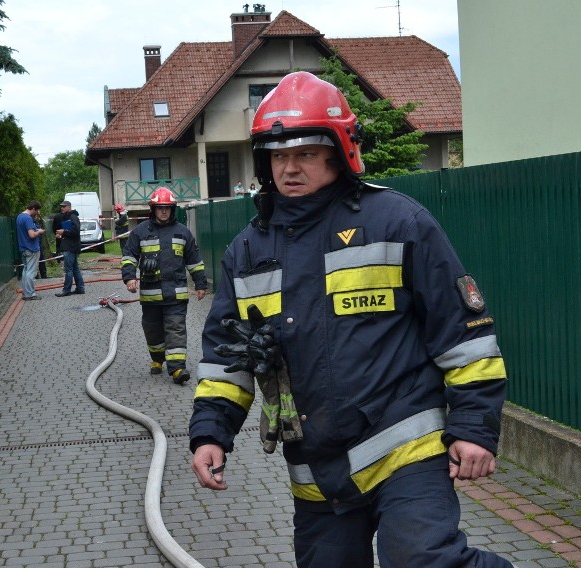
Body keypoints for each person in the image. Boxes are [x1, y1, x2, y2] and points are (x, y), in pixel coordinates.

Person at [189, 72, 513, 568]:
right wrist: (211, 433)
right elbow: (225, 360)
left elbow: (465, 338)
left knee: (424, 561)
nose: (289, 168)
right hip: (317, 469)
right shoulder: (247, 251)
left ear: (340, 154)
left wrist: (473, 427)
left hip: (406, 448)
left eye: (305, 154)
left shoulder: (398, 223)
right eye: (278, 156)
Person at [121, 187, 208, 385]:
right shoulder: (141, 231)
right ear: (153, 209)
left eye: (167, 208)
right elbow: (129, 256)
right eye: (160, 208)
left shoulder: (183, 232)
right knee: (152, 330)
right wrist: (129, 278)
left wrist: (200, 283)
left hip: (176, 295)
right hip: (150, 296)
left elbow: (194, 261)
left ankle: (177, 369)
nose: (163, 211)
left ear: (172, 209)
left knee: (176, 329)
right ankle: (157, 360)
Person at [52, 200, 85, 297]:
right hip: (71, 245)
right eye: (61, 207)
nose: (62, 208)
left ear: (69, 207)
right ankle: (80, 288)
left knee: (68, 269)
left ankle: (66, 290)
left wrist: (63, 232)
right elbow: (71, 233)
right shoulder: (69, 217)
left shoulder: (72, 217)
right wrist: (61, 236)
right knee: (75, 268)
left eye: (64, 206)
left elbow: (75, 232)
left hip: (70, 247)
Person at [15, 200, 45, 300]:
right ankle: (30, 294)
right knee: (31, 272)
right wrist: (39, 231)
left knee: (26, 271)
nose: (37, 213)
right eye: (36, 211)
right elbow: (32, 234)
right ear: (33, 209)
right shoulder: (27, 218)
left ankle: (25, 292)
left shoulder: (20, 216)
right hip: (31, 248)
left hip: (23, 247)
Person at [33, 206, 50, 279]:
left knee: (41, 259)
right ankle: (36, 275)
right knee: (36, 260)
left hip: (39, 242)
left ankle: (43, 274)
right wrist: (39, 230)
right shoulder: (31, 219)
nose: (39, 212)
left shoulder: (38, 219)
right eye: (38, 210)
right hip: (35, 243)